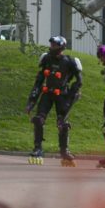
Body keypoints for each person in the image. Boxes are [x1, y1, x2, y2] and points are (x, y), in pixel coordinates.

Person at [25, 36, 82, 166]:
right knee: (38, 119)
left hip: (62, 95)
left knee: (62, 123)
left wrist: (72, 94)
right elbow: (39, 81)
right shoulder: (46, 59)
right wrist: (31, 101)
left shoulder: (70, 61)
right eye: (51, 45)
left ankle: (64, 151)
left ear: (61, 47)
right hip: (47, 93)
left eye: (54, 45)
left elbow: (79, 81)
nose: (51, 48)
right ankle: (38, 148)